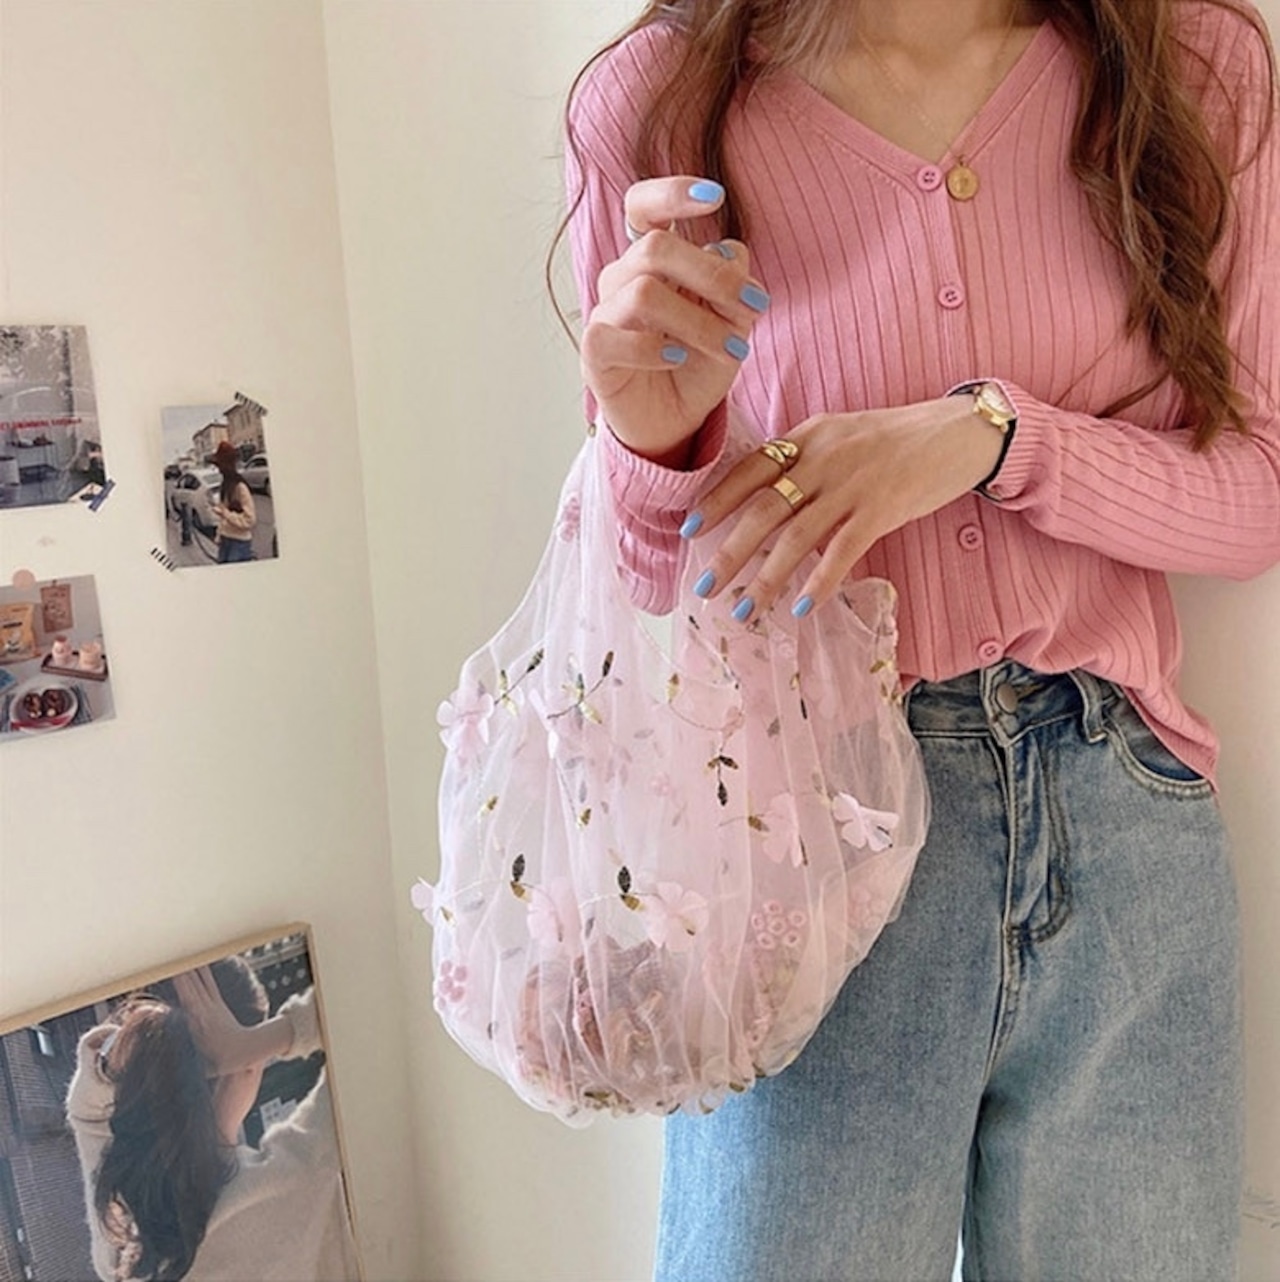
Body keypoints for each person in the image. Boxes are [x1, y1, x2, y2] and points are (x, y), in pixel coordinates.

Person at [562, 0, 1278, 1278]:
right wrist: (650, 442)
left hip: (1123, 816)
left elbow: (1255, 489)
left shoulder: (1192, 64)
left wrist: (990, 437)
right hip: (810, 826)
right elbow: (653, 577)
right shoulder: (659, 97)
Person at [66, 960, 360, 1281]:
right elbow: (366, 1004)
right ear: (249, 1067)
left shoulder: (125, 1245)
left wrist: (149, 1046)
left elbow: (89, 1108)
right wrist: (256, 1042)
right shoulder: (303, 1175)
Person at [210, 441, 256, 564]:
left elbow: (250, 520)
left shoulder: (240, 487)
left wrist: (225, 513)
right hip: (226, 540)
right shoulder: (226, 485)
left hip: (239, 543)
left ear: (227, 465)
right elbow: (224, 516)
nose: (219, 470)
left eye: (220, 465)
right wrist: (219, 535)